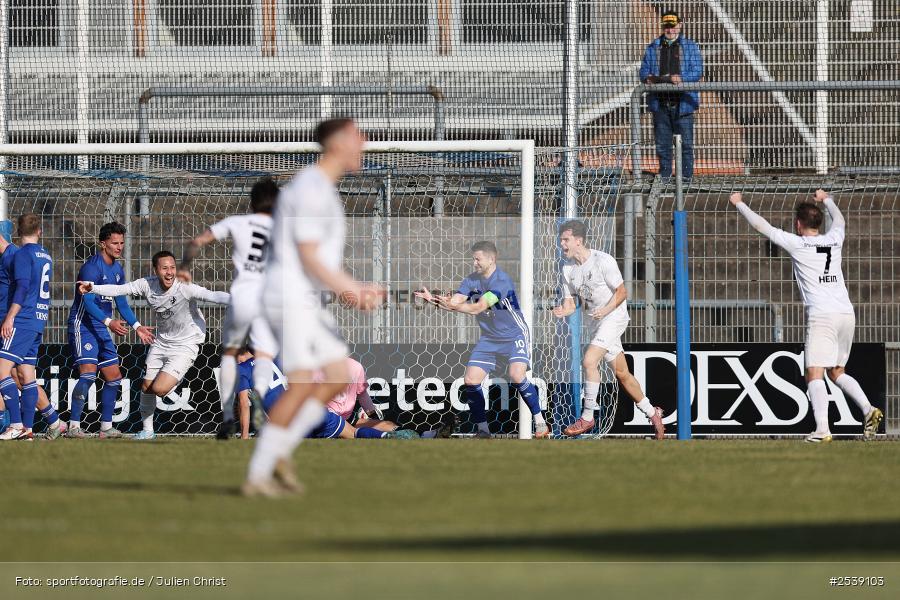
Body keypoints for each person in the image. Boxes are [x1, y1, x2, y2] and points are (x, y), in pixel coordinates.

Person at [243, 117, 385, 497]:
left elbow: (315, 261)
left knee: (332, 376)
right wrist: (353, 289)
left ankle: (273, 454)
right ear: (338, 143)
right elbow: (307, 255)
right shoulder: (311, 188)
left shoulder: (321, 188)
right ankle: (266, 461)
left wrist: (346, 290)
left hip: (302, 299)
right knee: (315, 381)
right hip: (291, 299)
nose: (364, 143)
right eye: (357, 136)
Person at [729, 190, 883, 443]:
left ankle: (822, 429)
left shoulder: (798, 244)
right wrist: (827, 199)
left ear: (798, 224)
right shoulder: (834, 238)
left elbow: (762, 227)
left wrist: (739, 204)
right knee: (836, 371)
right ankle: (868, 409)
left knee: (814, 372)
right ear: (819, 223)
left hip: (822, 315)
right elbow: (840, 220)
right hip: (845, 313)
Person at [78, 250, 230, 439]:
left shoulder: (184, 287)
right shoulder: (147, 284)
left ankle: (177, 375)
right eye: (165, 268)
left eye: (172, 268)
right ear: (156, 270)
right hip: (161, 342)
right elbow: (119, 290)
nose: (170, 272)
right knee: (146, 387)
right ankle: (148, 431)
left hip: (186, 344)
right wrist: (92, 287)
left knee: (159, 389)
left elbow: (212, 295)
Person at [179, 177, 280, 440]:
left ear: (252, 202)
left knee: (229, 354)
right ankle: (259, 401)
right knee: (264, 356)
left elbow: (197, 242)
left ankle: (226, 418)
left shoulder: (237, 222)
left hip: (242, 298)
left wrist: (185, 267)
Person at [416, 241, 549, 439]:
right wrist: (435, 300)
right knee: (471, 380)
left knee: (516, 375)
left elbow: (478, 307)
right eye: (473, 259)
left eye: (478, 259)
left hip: (513, 335)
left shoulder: (501, 281)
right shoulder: (471, 280)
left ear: (491, 259)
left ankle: (540, 423)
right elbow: (455, 302)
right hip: (489, 338)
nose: (474, 263)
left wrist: (453, 305)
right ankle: (483, 431)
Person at [553, 220, 665, 440]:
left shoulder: (602, 260)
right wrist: (563, 310)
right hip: (596, 324)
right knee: (622, 374)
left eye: (566, 240)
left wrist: (605, 310)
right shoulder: (567, 269)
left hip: (614, 317)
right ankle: (653, 413)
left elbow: (622, 292)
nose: (562, 244)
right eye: (561, 240)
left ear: (579, 240)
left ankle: (587, 417)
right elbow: (570, 303)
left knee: (589, 361)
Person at [66, 222, 154, 439]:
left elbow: (121, 303)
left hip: (103, 326)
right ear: (102, 243)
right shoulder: (91, 268)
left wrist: (137, 326)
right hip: (84, 325)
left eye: (122, 243)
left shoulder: (117, 269)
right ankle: (73, 427)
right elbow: (87, 303)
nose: (119, 247)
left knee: (114, 377)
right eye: (115, 243)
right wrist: (109, 322)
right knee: (88, 374)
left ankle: (106, 428)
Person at [0, 220, 64, 440]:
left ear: (17, 231)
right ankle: (28, 429)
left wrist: (10, 317)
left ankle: (16, 424)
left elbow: (22, 287)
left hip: (22, 319)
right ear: (40, 231)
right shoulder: (45, 255)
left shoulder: (21, 254)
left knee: (2, 370)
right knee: (26, 376)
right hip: (38, 320)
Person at [639, 10, 703, 179]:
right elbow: (643, 71)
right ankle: (665, 178)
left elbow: (697, 71)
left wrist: (681, 79)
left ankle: (686, 180)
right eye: (667, 26)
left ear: (680, 25)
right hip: (660, 104)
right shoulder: (653, 47)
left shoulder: (690, 46)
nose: (670, 29)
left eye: (673, 26)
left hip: (683, 104)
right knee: (662, 146)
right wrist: (648, 78)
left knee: (686, 145)